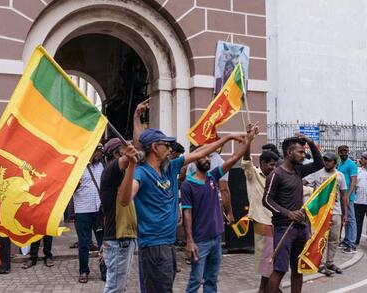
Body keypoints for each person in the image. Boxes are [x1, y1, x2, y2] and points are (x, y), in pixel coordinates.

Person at [118, 128, 245, 292]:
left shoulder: (170, 167)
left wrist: (227, 137)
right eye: (167, 145)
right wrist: (131, 166)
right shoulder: (141, 173)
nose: (171, 149)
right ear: (155, 148)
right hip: (154, 246)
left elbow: (200, 153)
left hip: (168, 244)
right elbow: (124, 200)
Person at [182, 125, 258, 293]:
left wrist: (249, 138)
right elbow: (186, 213)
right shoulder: (188, 185)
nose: (207, 159)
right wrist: (189, 241)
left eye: (209, 157)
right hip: (199, 241)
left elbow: (235, 157)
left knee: (212, 280)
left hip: (215, 238)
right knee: (195, 281)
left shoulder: (212, 176)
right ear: (196, 159)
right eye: (203, 157)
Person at [262, 135, 324, 293]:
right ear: (289, 153)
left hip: (300, 228)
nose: (304, 155)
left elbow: (319, 163)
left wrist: (310, 142)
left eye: (304, 152)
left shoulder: (298, 170)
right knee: (280, 270)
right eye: (300, 152)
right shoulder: (276, 174)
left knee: (298, 269)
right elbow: (267, 201)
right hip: (283, 229)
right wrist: (288, 213)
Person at [99, 138, 139, 293]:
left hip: (122, 240)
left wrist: (136, 118)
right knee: (115, 288)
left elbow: (137, 148)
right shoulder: (109, 171)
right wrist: (130, 159)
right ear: (116, 153)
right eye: (125, 148)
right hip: (118, 240)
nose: (130, 149)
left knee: (119, 287)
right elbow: (131, 156)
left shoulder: (121, 176)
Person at [303, 152, 348, 276]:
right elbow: (303, 182)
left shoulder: (340, 176)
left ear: (335, 162)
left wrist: (346, 213)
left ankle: (330, 262)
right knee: (319, 238)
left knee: (334, 239)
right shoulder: (317, 174)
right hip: (320, 213)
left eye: (329, 160)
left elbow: (343, 195)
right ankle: (320, 263)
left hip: (336, 211)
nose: (327, 162)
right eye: (325, 160)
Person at [241, 143, 279, 292]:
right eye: (271, 165)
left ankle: (273, 288)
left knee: (273, 261)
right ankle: (264, 290)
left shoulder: (275, 177)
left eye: (275, 165)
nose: (273, 168)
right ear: (262, 163)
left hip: (275, 222)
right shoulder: (253, 175)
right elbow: (246, 161)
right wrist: (249, 140)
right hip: (262, 222)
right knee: (267, 261)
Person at [73, 144, 105, 283]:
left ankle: (105, 272)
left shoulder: (101, 166)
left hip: (99, 210)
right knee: (84, 243)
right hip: (83, 211)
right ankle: (84, 271)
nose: (101, 153)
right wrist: (76, 184)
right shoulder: (77, 167)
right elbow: (69, 190)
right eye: (98, 151)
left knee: (103, 243)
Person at [337, 145, 359, 253]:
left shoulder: (351, 164)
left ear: (348, 152)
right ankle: (346, 240)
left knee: (351, 219)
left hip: (348, 196)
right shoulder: (340, 164)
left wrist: (349, 195)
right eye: (341, 151)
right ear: (338, 153)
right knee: (345, 219)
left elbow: (353, 181)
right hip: (341, 195)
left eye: (345, 151)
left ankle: (352, 244)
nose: (343, 153)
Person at [354, 152, 367, 246]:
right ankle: (355, 241)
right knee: (357, 223)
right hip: (359, 201)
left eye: (363, 158)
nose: (361, 160)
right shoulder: (358, 171)